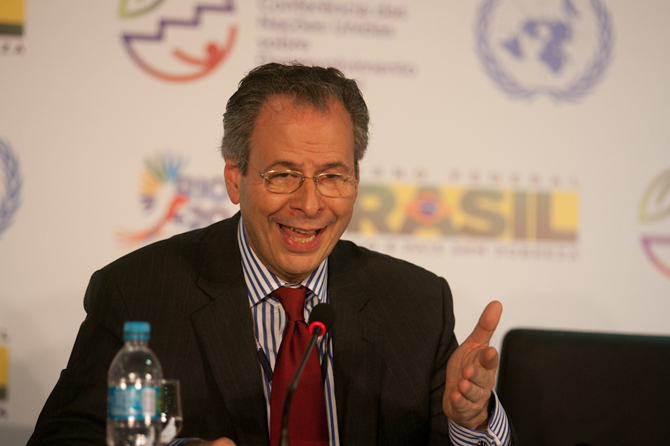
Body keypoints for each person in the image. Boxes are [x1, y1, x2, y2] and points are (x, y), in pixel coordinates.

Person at [28, 63, 515, 446]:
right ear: (235, 179)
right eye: (282, 174)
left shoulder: (417, 303)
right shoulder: (140, 293)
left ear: (356, 182)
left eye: (332, 176)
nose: (308, 203)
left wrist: (470, 422)